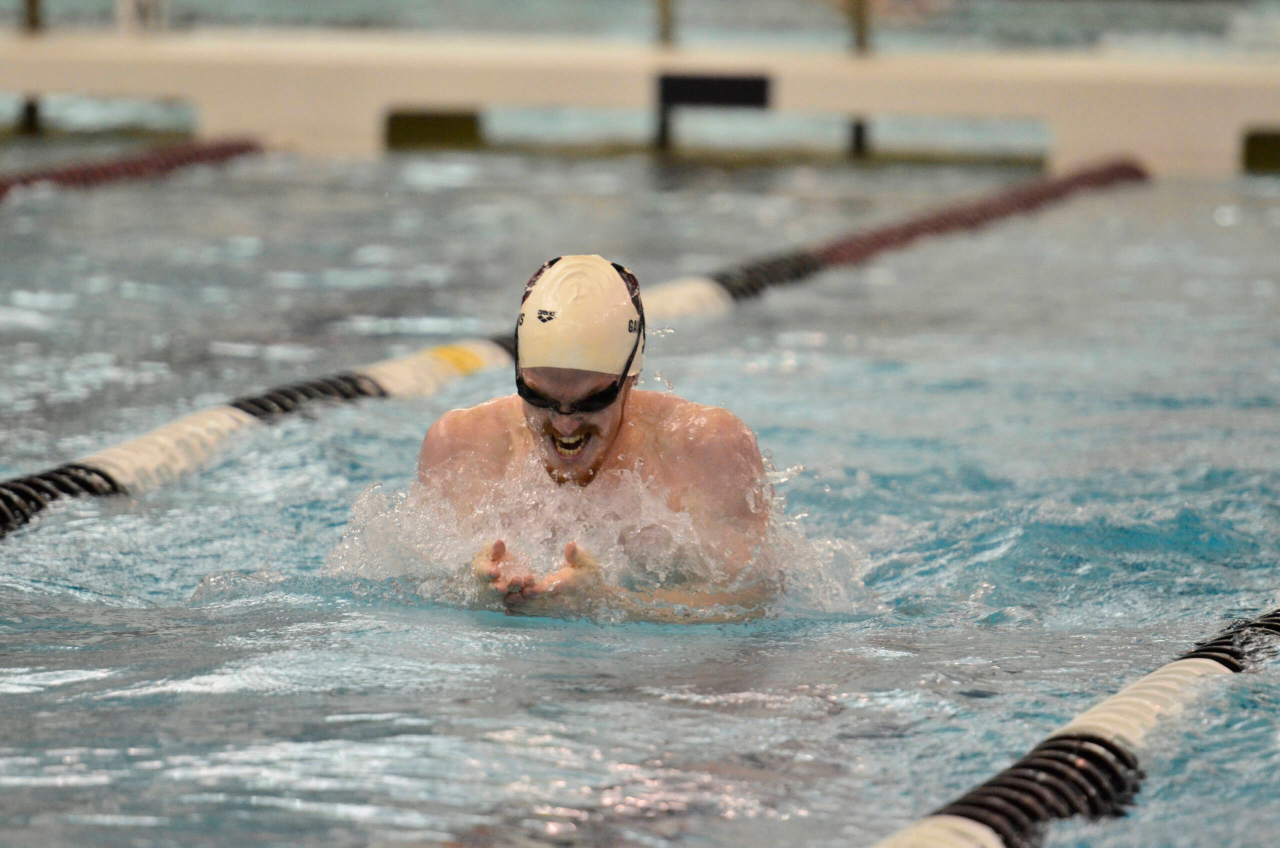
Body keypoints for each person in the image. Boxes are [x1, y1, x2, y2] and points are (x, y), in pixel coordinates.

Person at [416, 255, 773, 621]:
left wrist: (610, 603)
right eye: (538, 397)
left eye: (592, 401)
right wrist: (469, 587)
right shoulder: (459, 443)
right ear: (519, 374)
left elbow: (753, 599)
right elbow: (414, 586)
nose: (565, 425)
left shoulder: (705, 447)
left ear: (631, 377)